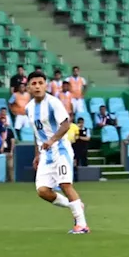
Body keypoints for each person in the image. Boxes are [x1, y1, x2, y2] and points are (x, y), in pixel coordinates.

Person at [25, 70, 90, 234]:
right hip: (45, 153)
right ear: (28, 88)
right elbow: (36, 133)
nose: (38, 86)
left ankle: (82, 225)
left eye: (40, 83)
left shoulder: (53, 102)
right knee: (42, 191)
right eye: (34, 84)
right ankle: (75, 205)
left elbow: (65, 124)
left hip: (60, 149)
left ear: (45, 85)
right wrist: (37, 154)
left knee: (65, 184)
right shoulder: (29, 108)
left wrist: (52, 140)